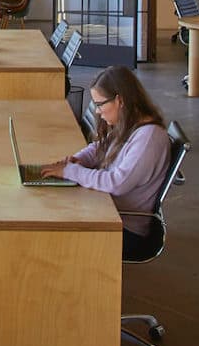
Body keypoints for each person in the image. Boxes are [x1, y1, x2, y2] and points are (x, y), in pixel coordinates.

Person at [41, 66, 171, 260]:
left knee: (54, 229)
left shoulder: (148, 138)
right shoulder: (130, 123)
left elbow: (116, 183)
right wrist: (79, 159)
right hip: (108, 211)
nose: (99, 112)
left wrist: (70, 171)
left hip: (124, 228)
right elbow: (100, 147)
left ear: (120, 100)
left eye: (100, 105)